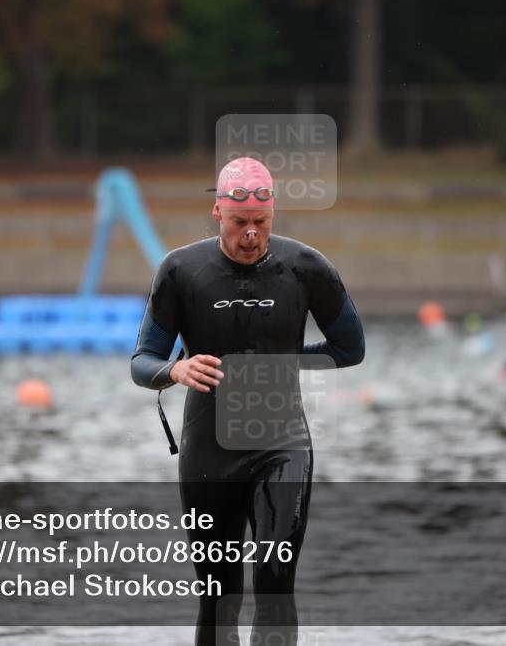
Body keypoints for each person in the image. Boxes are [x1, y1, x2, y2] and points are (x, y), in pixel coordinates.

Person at [130, 156, 365, 646]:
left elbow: (350, 349)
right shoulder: (180, 270)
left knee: (276, 580)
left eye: (261, 223)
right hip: (208, 450)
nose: (251, 235)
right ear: (218, 212)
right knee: (219, 594)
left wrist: (283, 360)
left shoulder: (306, 267)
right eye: (240, 223)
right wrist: (176, 369)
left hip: (282, 444)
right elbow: (142, 362)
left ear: (273, 215)